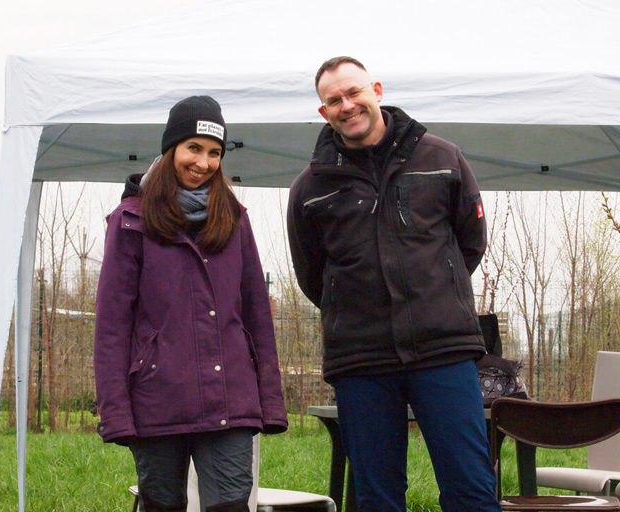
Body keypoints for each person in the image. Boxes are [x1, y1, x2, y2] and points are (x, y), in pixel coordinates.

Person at [287, 57, 500, 512]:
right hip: (360, 360)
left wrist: (435, 291)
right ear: (324, 112)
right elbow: (312, 274)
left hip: (444, 351)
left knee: (472, 491)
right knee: (377, 499)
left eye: (354, 92)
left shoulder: (443, 158)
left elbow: (470, 243)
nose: (347, 105)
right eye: (334, 100)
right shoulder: (310, 187)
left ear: (377, 91)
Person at [94, 95, 288, 512]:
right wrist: (115, 412)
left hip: (230, 401)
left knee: (231, 505)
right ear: (171, 150)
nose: (204, 162)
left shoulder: (235, 219)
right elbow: (112, 326)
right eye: (194, 148)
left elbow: (257, 314)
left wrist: (270, 401)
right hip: (157, 400)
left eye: (215, 152)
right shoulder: (131, 221)